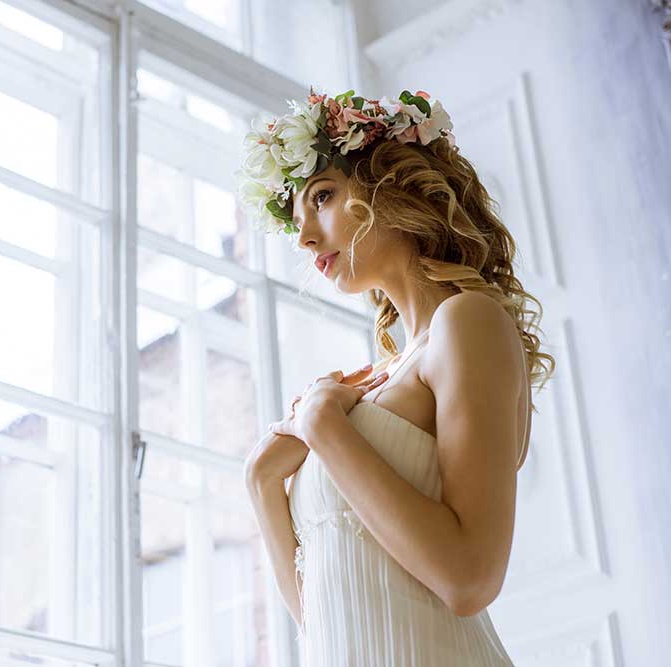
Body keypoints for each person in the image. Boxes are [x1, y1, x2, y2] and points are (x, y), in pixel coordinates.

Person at [239, 88, 555, 665]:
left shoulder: (467, 321)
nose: (305, 237)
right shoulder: (377, 378)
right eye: (298, 222)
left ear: (392, 184)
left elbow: (470, 579)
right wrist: (262, 484)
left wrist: (324, 427)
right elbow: (324, 621)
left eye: (323, 197)